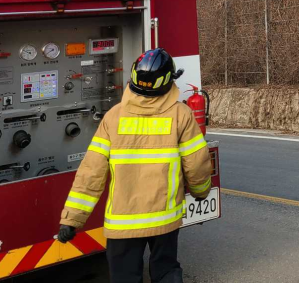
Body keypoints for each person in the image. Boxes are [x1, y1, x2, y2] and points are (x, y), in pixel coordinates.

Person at [57, 49, 213, 283]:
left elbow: (91, 172)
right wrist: (201, 192)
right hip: (165, 218)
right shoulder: (181, 114)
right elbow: (197, 162)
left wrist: (72, 219)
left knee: (125, 277)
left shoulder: (113, 117)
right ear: (169, 80)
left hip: (123, 223)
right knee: (167, 271)